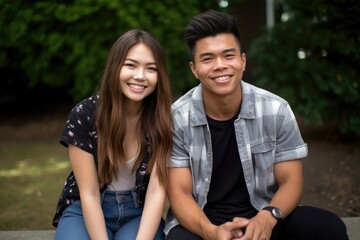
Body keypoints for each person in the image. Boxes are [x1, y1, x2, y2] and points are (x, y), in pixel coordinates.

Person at [165, 9, 349, 240]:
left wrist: (267, 218)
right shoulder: (177, 118)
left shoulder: (276, 110)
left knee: (329, 228)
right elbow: (179, 192)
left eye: (228, 56)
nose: (220, 65)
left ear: (242, 61)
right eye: (208, 58)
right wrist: (211, 232)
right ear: (194, 69)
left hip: (265, 212)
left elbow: (291, 180)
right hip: (203, 222)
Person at [52, 29, 172, 240]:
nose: (140, 76)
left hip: (138, 214)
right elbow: (88, 193)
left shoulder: (163, 119)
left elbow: (156, 192)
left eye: (151, 68)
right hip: (85, 208)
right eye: (131, 65)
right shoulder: (85, 114)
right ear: (115, 67)